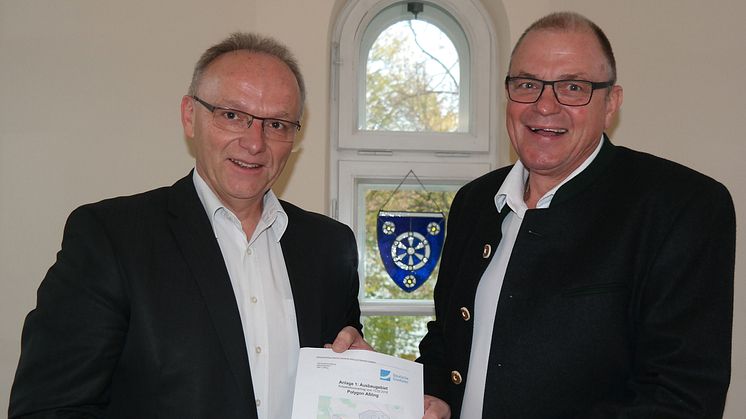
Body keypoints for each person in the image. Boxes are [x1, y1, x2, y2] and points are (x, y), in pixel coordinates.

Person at [9, 32, 370, 419]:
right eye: (232, 115)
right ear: (189, 116)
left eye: (277, 124)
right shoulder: (111, 238)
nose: (254, 142)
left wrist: (362, 380)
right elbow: (49, 408)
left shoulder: (330, 247)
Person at [418, 11, 736, 419]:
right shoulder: (474, 202)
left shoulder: (680, 206)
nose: (544, 106)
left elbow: (681, 397)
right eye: (528, 84)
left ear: (611, 104)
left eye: (573, 87)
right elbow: (447, 340)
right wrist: (436, 394)